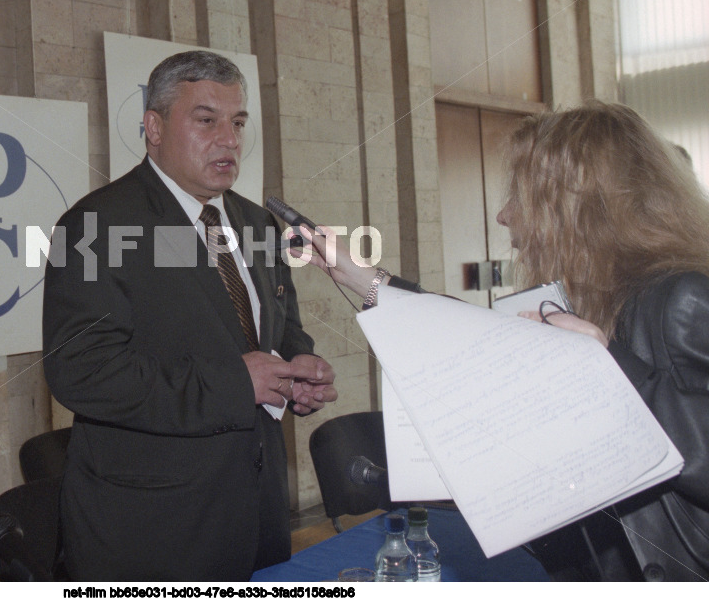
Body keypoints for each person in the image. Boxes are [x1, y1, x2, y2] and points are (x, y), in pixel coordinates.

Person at [298, 101, 709, 581]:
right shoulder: (594, 294)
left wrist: (611, 371)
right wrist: (364, 278)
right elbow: (482, 336)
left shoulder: (680, 296)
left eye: (522, 195)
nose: (503, 215)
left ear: (577, 202)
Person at [42, 50, 337, 581]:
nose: (228, 139)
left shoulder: (256, 222)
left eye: (238, 122)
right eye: (206, 120)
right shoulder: (94, 225)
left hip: (258, 513)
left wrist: (298, 366)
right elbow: (81, 371)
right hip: (154, 530)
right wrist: (235, 382)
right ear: (153, 127)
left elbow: (279, 323)